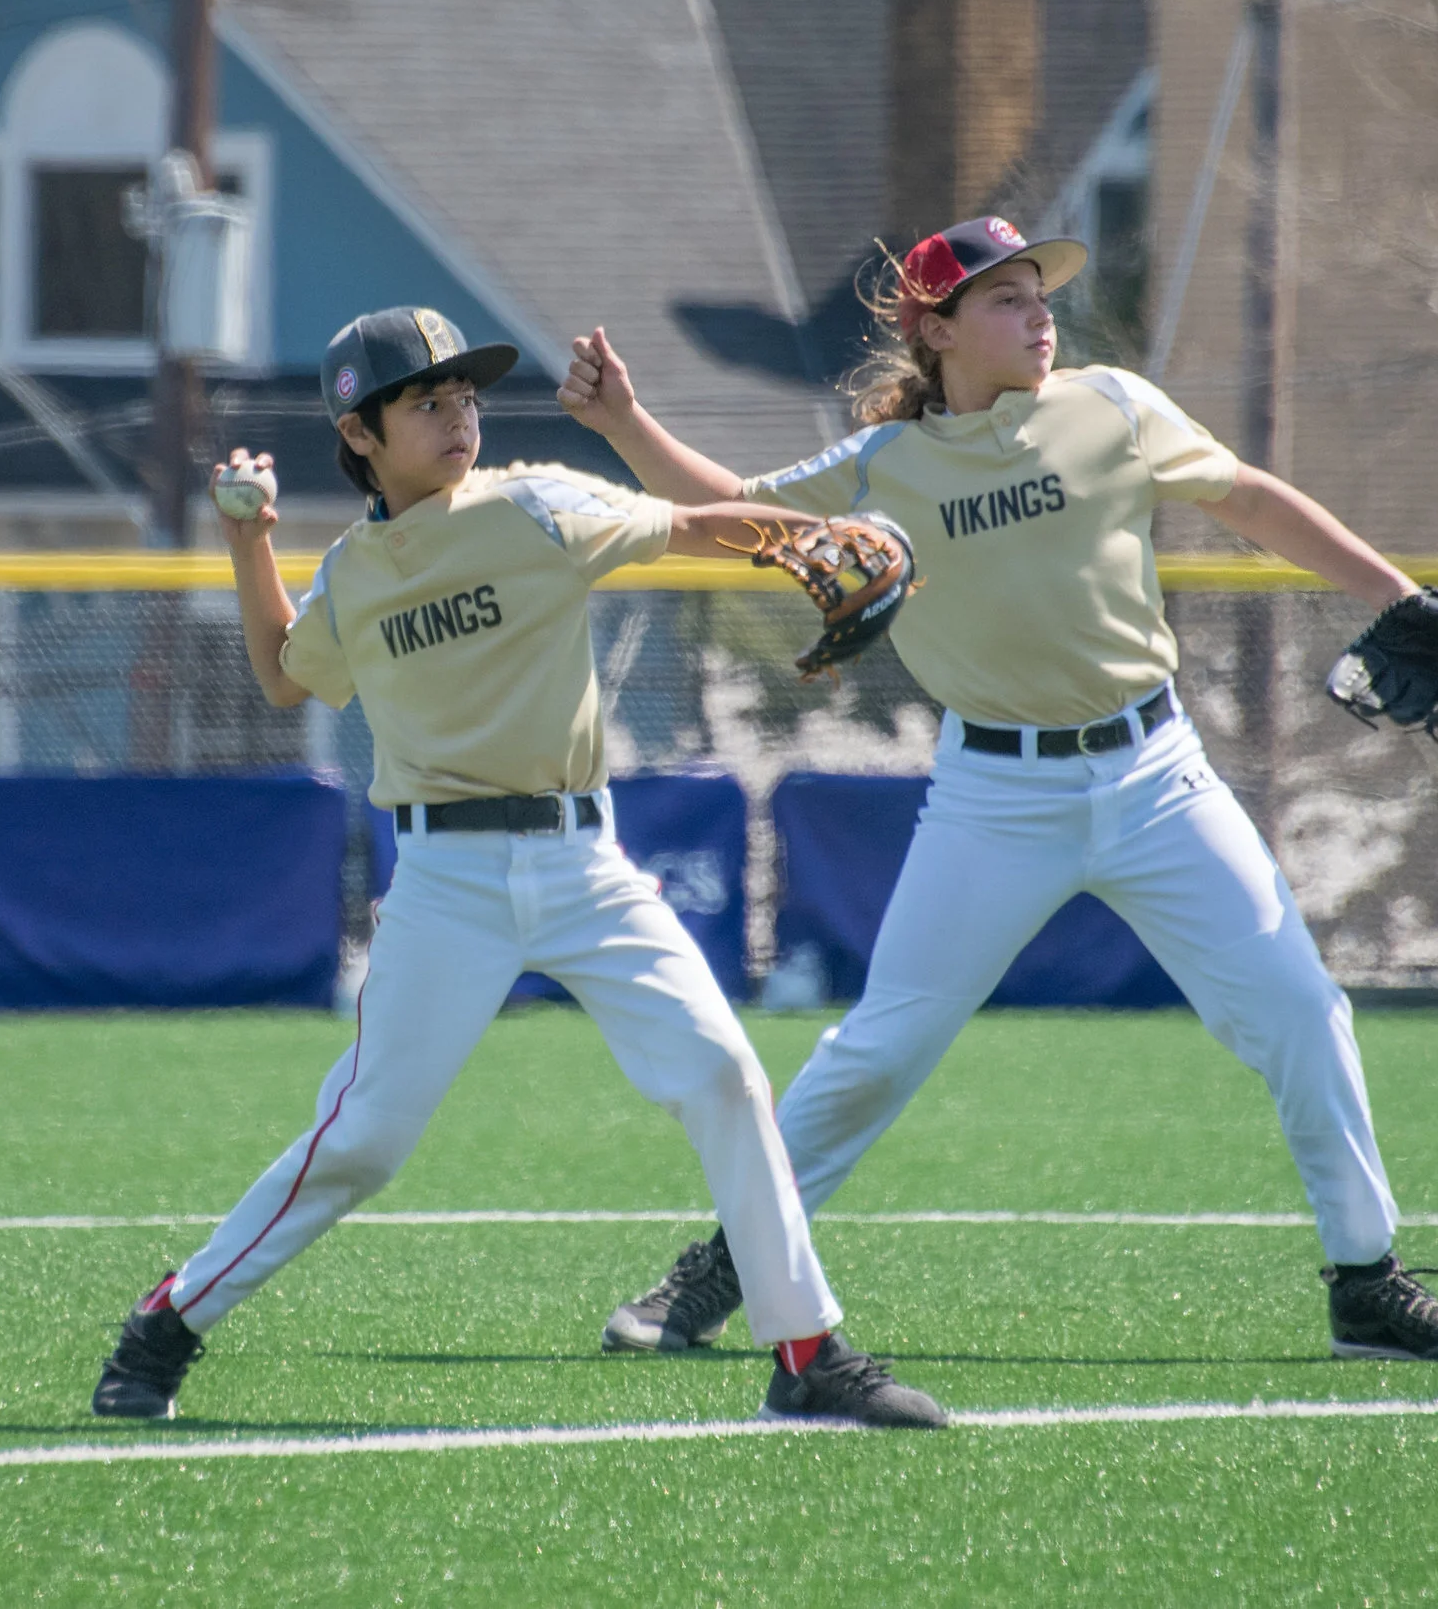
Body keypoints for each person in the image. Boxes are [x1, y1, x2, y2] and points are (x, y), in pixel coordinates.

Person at [559, 220, 1438, 1364]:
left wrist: (1396, 591)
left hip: (1157, 772)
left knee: (1300, 1011)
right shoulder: (885, 467)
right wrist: (624, 424)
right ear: (936, 330)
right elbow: (739, 523)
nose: (1038, 313)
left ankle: (1367, 1282)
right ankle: (724, 1269)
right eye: (1006, 298)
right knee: (879, 1049)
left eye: (1039, 291)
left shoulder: (1110, 403)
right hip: (994, 798)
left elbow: (1250, 498)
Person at [90, 306, 944, 1428]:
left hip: (583, 861)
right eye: (427, 401)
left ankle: (806, 1352)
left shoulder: (539, 501)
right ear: (361, 432)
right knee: (363, 1140)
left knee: (725, 1075)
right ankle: (170, 1316)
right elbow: (287, 676)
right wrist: (249, 541)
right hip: (445, 883)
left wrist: (813, 539)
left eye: (468, 395)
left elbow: (690, 523)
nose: (460, 416)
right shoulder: (355, 571)